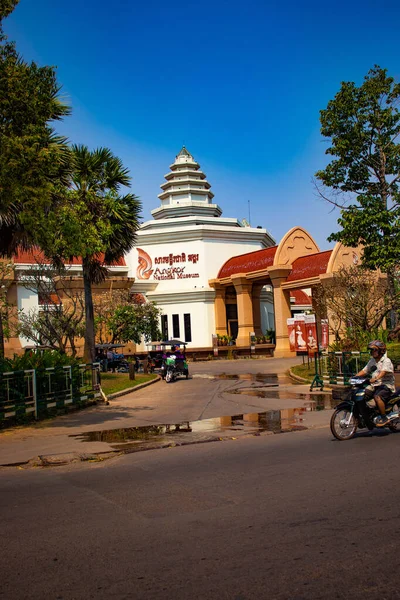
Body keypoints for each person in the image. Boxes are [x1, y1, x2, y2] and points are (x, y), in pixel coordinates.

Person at [356, 340, 395, 427]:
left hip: (386, 385)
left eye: (374, 350)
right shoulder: (372, 361)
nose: (372, 352)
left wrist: (376, 378)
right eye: (371, 350)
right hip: (375, 385)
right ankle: (367, 415)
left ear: (381, 351)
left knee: (377, 397)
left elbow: (383, 372)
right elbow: (365, 370)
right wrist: (355, 377)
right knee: (362, 394)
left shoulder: (386, 361)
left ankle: (384, 417)